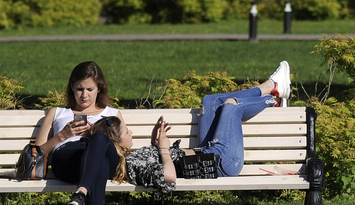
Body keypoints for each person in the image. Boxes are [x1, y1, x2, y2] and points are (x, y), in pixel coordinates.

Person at [125, 61, 292, 191]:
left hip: (205, 153)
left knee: (210, 101)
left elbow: (161, 163)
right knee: (230, 105)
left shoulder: (131, 159)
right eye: (125, 131)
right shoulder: (132, 166)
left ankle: (270, 88)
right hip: (222, 163)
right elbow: (169, 176)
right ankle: (272, 98)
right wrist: (163, 149)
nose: (130, 131)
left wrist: (156, 144)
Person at [33, 61, 133, 205]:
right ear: (72, 87)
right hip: (68, 159)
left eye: (89, 89)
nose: (84, 95)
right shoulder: (58, 112)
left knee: (98, 140)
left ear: (99, 89)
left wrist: (101, 135)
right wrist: (63, 135)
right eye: (79, 89)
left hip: (102, 153)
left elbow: (125, 147)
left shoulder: (112, 114)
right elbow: (37, 152)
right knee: (100, 165)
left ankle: (81, 193)